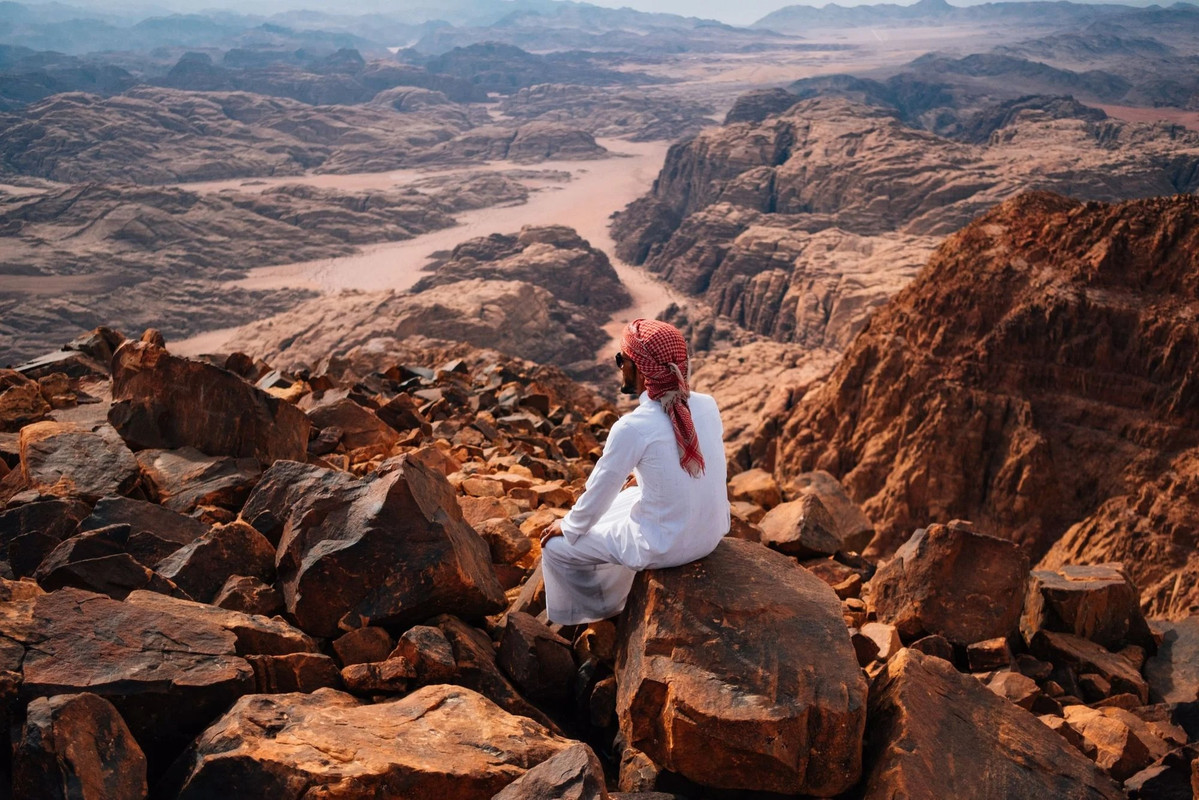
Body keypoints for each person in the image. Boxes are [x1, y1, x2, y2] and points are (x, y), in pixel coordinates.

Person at [539, 318, 730, 625]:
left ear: (640, 368)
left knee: (557, 548)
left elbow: (600, 490)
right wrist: (640, 480)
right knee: (625, 499)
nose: (620, 367)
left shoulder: (633, 426)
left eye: (622, 360)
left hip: (665, 546)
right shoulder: (706, 405)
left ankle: (597, 612)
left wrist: (569, 526)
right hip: (711, 535)